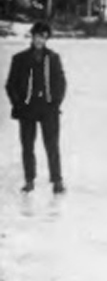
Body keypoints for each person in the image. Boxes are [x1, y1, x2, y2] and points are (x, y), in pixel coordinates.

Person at [7, 22, 67, 194]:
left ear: (47, 39)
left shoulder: (53, 58)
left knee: (52, 146)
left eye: (43, 37)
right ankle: (29, 180)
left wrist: (55, 102)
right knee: (27, 146)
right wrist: (19, 104)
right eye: (37, 36)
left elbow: (60, 83)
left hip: (48, 110)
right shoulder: (19, 59)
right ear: (32, 37)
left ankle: (57, 180)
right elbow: (11, 85)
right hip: (27, 110)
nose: (40, 40)